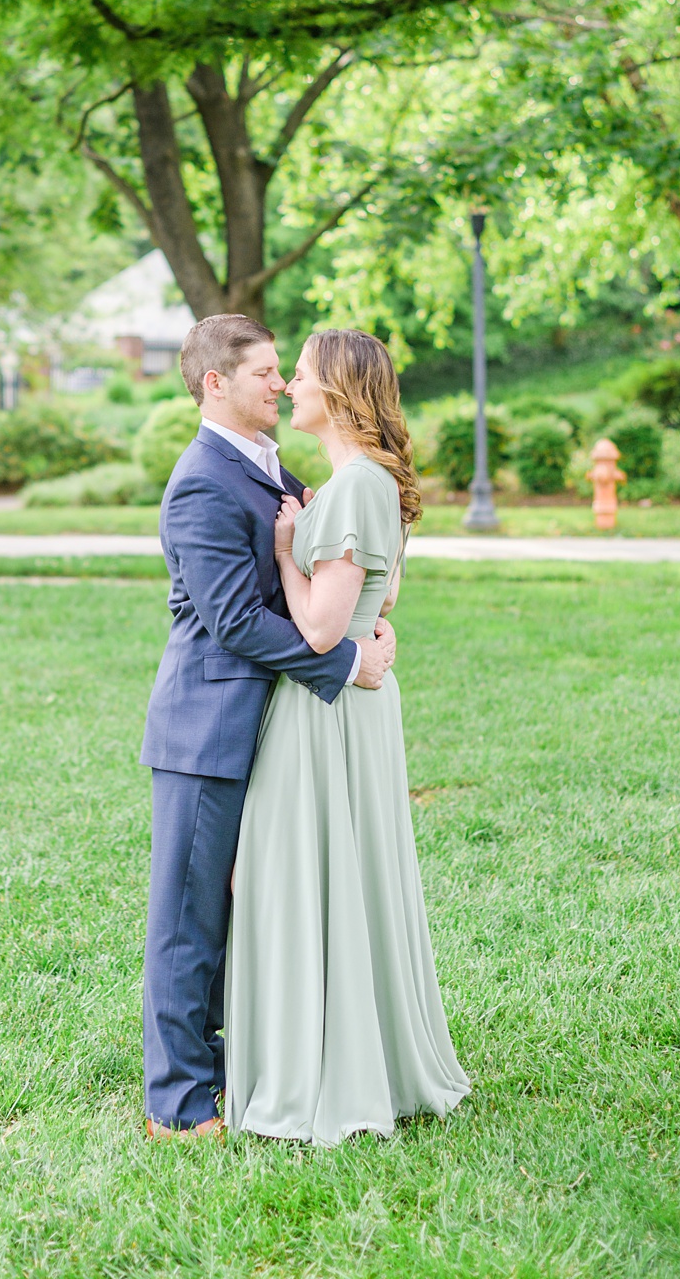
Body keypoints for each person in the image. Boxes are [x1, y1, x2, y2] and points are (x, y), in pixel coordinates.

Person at [141, 312, 394, 1141]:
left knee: (251, 904)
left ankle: (243, 1062)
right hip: (209, 728)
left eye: (287, 371)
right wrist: (342, 663)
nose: (282, 385)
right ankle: (178, 1104)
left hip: (274, 731)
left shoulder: (269, 465)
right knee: (191, 916)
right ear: (216, 383)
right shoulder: (201, 480)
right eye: (264, 374)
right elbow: (232, 619)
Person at [221, 327, 470, 1142]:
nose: (289, 386)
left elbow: (325, 629)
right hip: (352, 707)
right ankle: (349, 1051)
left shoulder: (358, 484)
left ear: (339, 390)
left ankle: (326, 1069)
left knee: (305, 873)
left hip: (327, 709)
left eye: (299, 376)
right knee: (335, 874)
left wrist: (289, 552)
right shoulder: (362, 482)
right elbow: (381, 604)